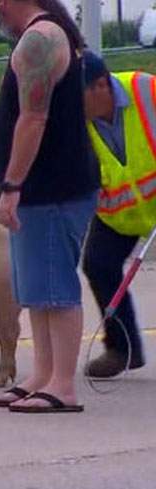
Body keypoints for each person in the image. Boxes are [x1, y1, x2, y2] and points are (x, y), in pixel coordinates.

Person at [0, 0, 100, 413]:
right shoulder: (42, 36)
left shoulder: (39, 40)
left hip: (51, 188)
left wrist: (12, 185)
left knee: (54, 288)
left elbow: (33, 119)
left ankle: (63, 386)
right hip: (40, 191)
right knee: (36, 289)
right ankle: (42, 374)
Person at [81, 51, 153, 378]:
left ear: (101, 86)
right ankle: (122, 348)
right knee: (98, 263)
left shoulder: (146, 91)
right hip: (117, 214)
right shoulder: (76, 122)